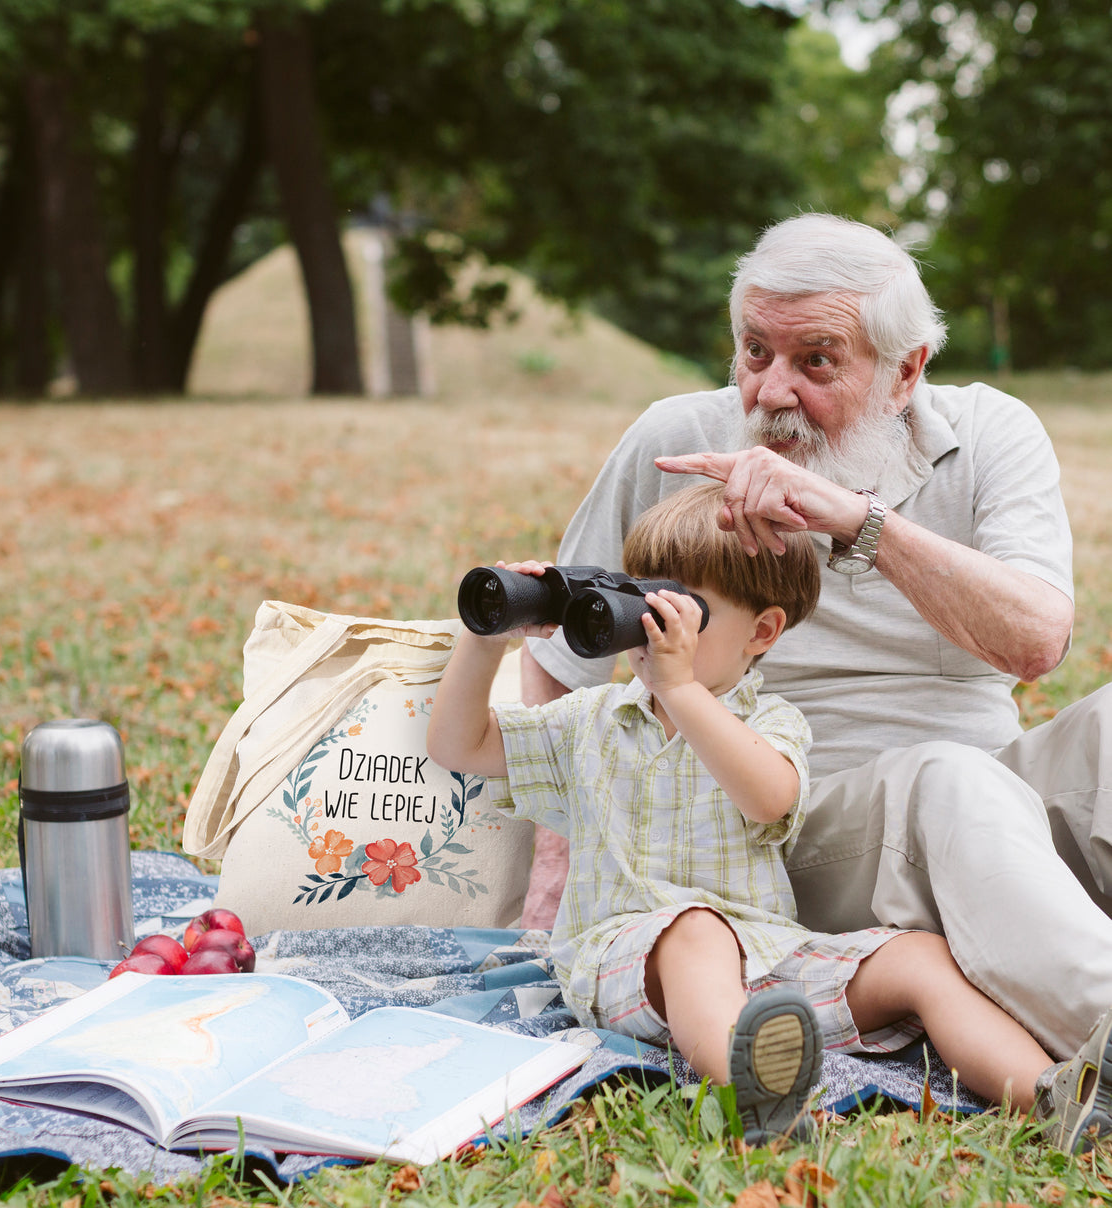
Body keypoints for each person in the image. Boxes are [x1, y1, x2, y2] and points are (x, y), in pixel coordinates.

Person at [519, 212, 1112, 1067]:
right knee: (943, 777)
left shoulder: (990, 434)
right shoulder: (674, 442)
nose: (772, 391)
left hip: (994, 821)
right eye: (755, 352)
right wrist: (557, 884)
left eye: (817, 361)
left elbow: (1035, 641)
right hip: (786, 833)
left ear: (906, 373)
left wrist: (859, 523)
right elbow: (558, 658)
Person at [428, 484, 1112, 1151]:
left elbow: (771, 798)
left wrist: (683, 689)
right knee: (695, 932)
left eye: (683, 612)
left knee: (919, 958)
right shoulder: (592, 724)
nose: (652, 629)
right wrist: (486, 641)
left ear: (763, 630)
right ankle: (753, 1089)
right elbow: (460, 745)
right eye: (641, 599)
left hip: (769, 961)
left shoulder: (770, 724)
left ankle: (1053, 1098)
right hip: (629, 959)